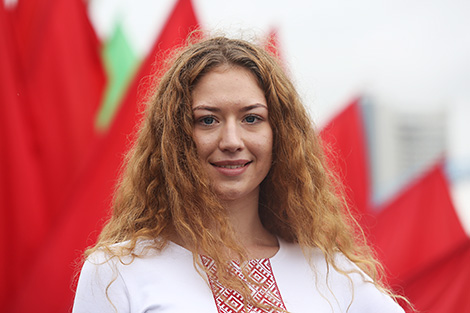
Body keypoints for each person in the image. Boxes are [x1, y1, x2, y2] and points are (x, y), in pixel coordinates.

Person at [72, 35, 406, 313]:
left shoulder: (334, 275)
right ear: (174, 136)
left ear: (281, 135)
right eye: (207, 120)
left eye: (251, 119)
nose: (232, 141)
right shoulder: (117, 271)